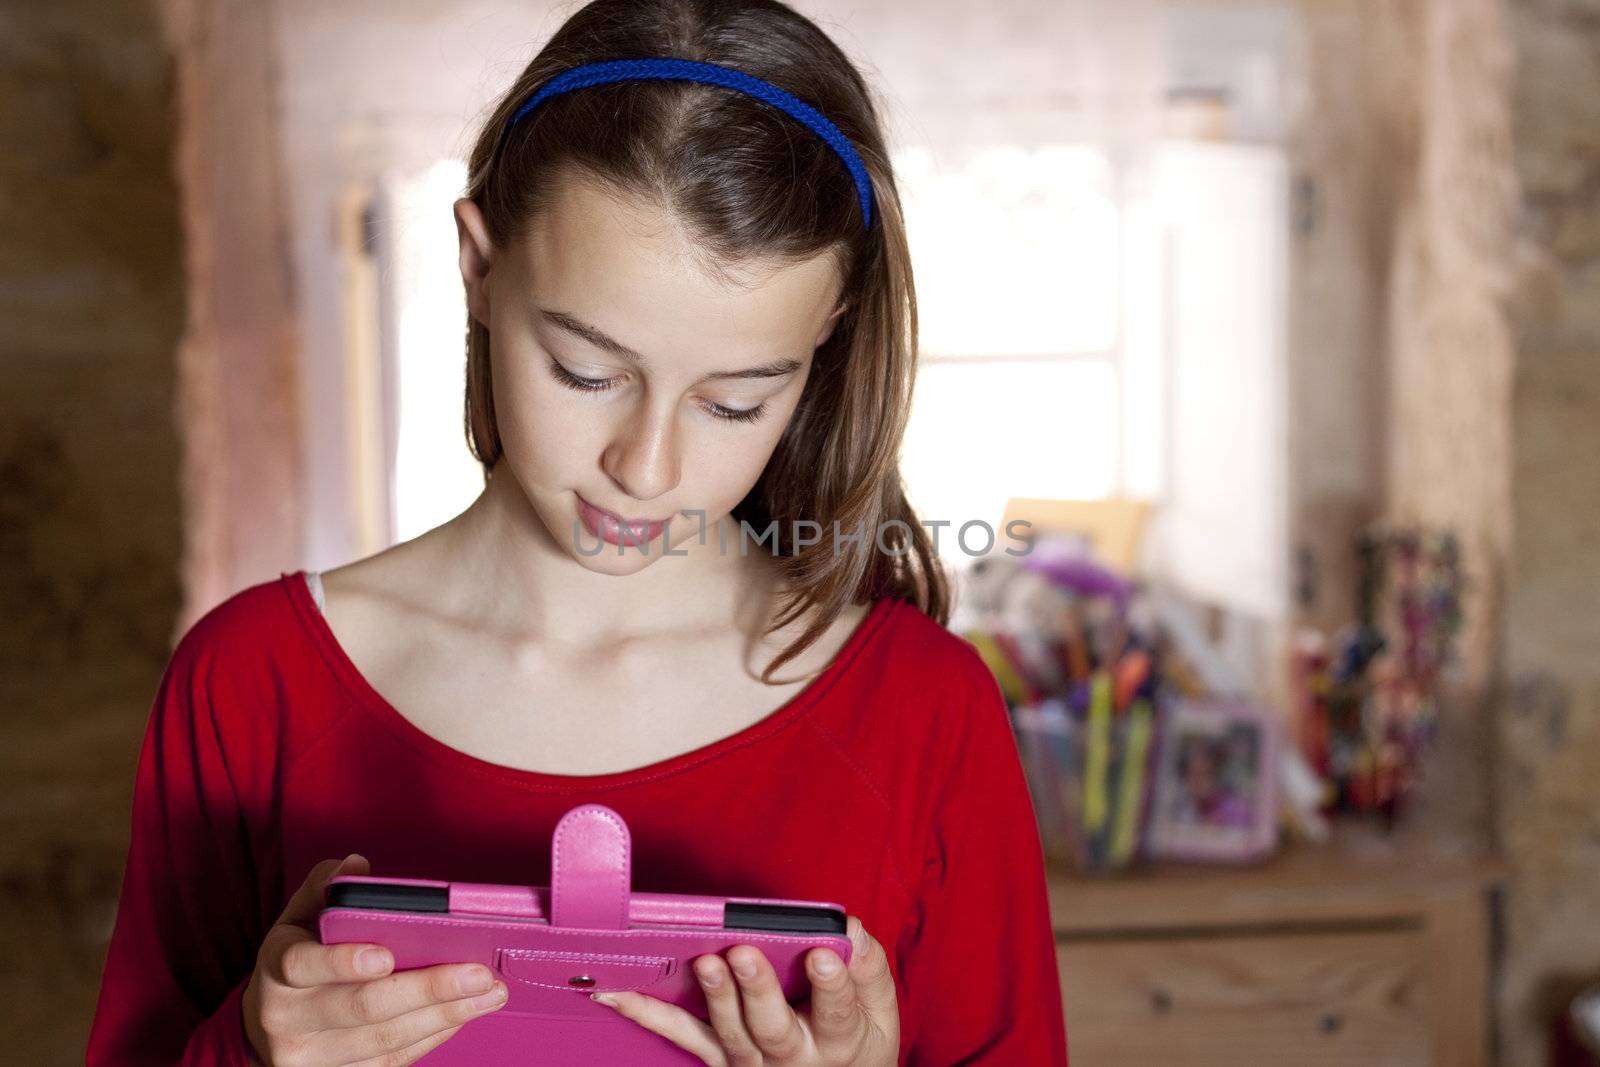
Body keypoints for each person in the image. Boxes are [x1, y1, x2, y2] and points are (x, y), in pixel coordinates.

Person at [85, 1, 1069, 1063]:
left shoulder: (925, 711)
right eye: (586, 370)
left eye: (734, 400)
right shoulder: (250, 683)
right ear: (478, 266)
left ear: (823, 343)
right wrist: (247, 1048)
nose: (644, 469)